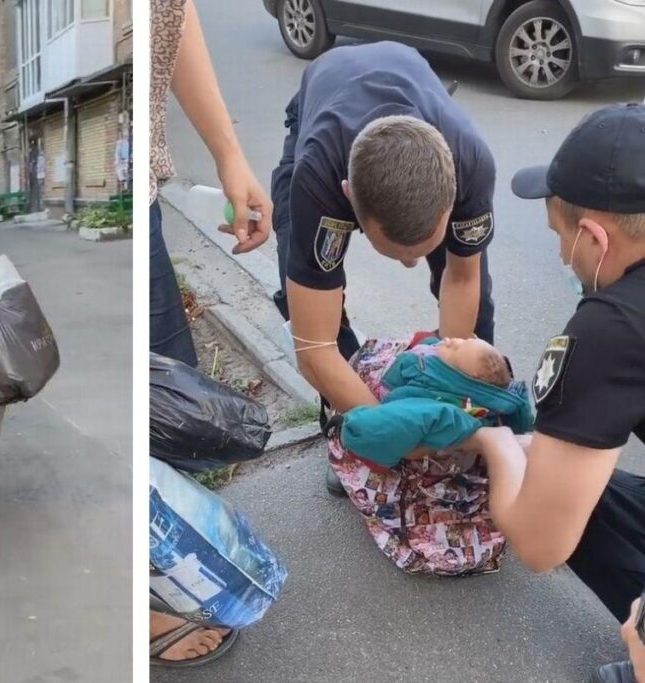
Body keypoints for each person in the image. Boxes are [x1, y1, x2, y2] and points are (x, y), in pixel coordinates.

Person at [270, 42, 497, 496]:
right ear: (348, 198)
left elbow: (463, 277)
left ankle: (476, 410)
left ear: (452, 198)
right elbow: (314, 346)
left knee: (479, 305)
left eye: (421, 249)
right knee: (310, 293)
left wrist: (445, 398)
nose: (412, 263)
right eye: (398, 254)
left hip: (414, 98)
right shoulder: (319, 180)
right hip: (325, 105)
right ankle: (348, 425)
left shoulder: (470, 165)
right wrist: (394, 432)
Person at [468, 102, 645, 683]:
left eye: (561, 237)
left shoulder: (611, 327)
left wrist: (494, 442)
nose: (561, 255)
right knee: (582, 488)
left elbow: (539, 544)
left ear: (595, 236)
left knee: (549, 496)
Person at [148, 0, 272, 665]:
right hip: (125, 214)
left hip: (143, 206)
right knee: (143, 421)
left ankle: (172, 569)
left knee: (169, 410)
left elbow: (173, 12)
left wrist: (229, 153)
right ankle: (144, 608)